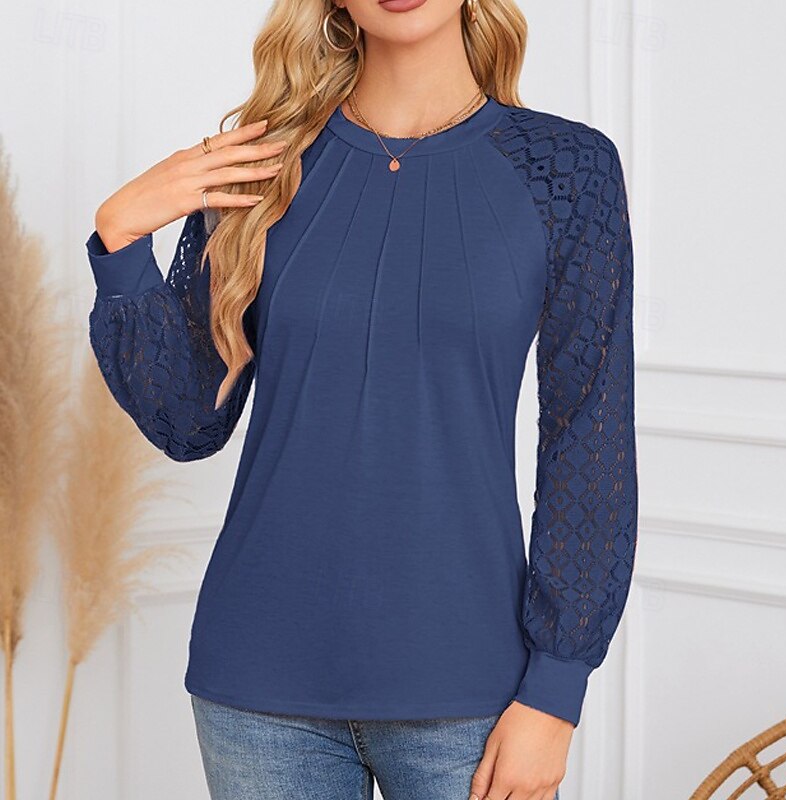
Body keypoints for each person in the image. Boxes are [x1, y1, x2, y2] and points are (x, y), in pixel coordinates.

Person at [84, 0, 638, 797]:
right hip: (258, 686)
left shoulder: (567, 170)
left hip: (473, 689)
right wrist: (121, 238)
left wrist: (556, 688)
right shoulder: (260, 165)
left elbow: (588, 434)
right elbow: (188, 419)